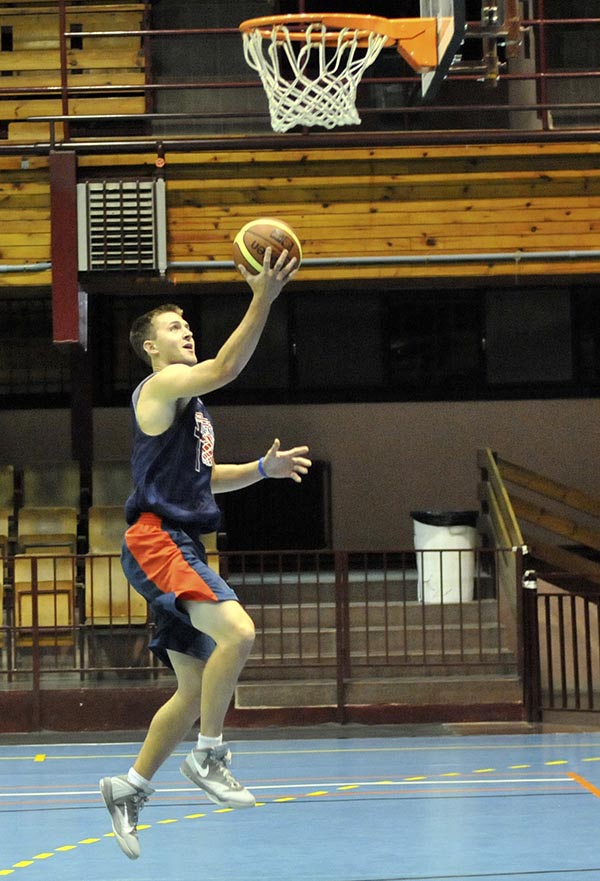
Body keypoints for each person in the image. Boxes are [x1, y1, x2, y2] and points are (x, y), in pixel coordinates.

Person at [99, 247, 311, 860]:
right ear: (150, 348)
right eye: (173, 327)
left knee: (192, 691)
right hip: (156, 537)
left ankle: (129, 785)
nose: (185, 331)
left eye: (187, 325)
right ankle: (209, 756)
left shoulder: (190, 412)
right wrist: (262, 297)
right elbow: (224, 367)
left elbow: (206, 477)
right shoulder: (161, 386)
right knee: (238, 633)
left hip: (176, 537)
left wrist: (263, 470)